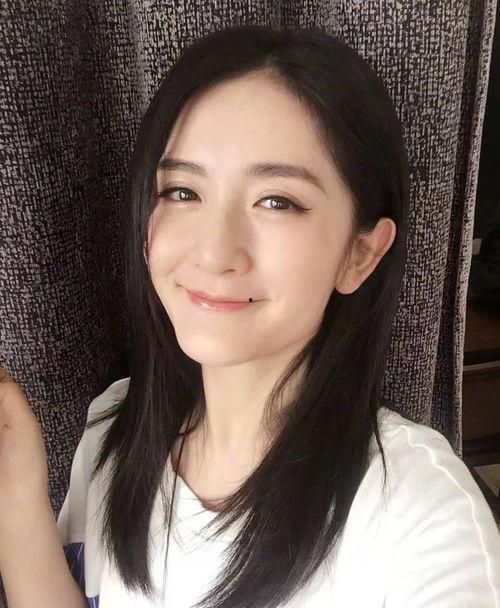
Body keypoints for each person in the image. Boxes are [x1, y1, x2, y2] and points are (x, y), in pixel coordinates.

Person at [1, 23, 499, 608]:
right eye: (182, 191)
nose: (214, 253)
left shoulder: (424, 517)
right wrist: (17, 508)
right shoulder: (115, 428)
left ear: (360, 254)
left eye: (277, 201)